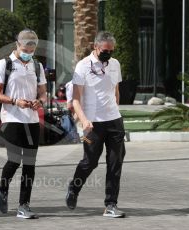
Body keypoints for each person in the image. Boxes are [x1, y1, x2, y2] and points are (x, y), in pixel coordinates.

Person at [65, 31, 126, 218]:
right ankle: (74, 189)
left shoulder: (115, 64)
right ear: (95, 47)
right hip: (93, 123)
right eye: (105, 50)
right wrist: (84, 121)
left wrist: (116, 109)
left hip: (114, 121)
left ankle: (111, 205)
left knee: (115, 163)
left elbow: (115, 90)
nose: (108, 54)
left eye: (111, 51)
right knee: (89, 162)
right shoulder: (82, 67)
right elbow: (75, 99)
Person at [0, 29, 47, 219]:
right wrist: (16, 101)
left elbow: (42, 92)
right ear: (17, 45)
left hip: (31, 119)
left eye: (31, 50)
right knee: (15, 159)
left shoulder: (37, 66)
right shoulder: (4, 64)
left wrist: (40, 101)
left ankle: (24, 205)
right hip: (11, 118)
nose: (28, 53)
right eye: (25, 49)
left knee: (30, 164)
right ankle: (2, 189)